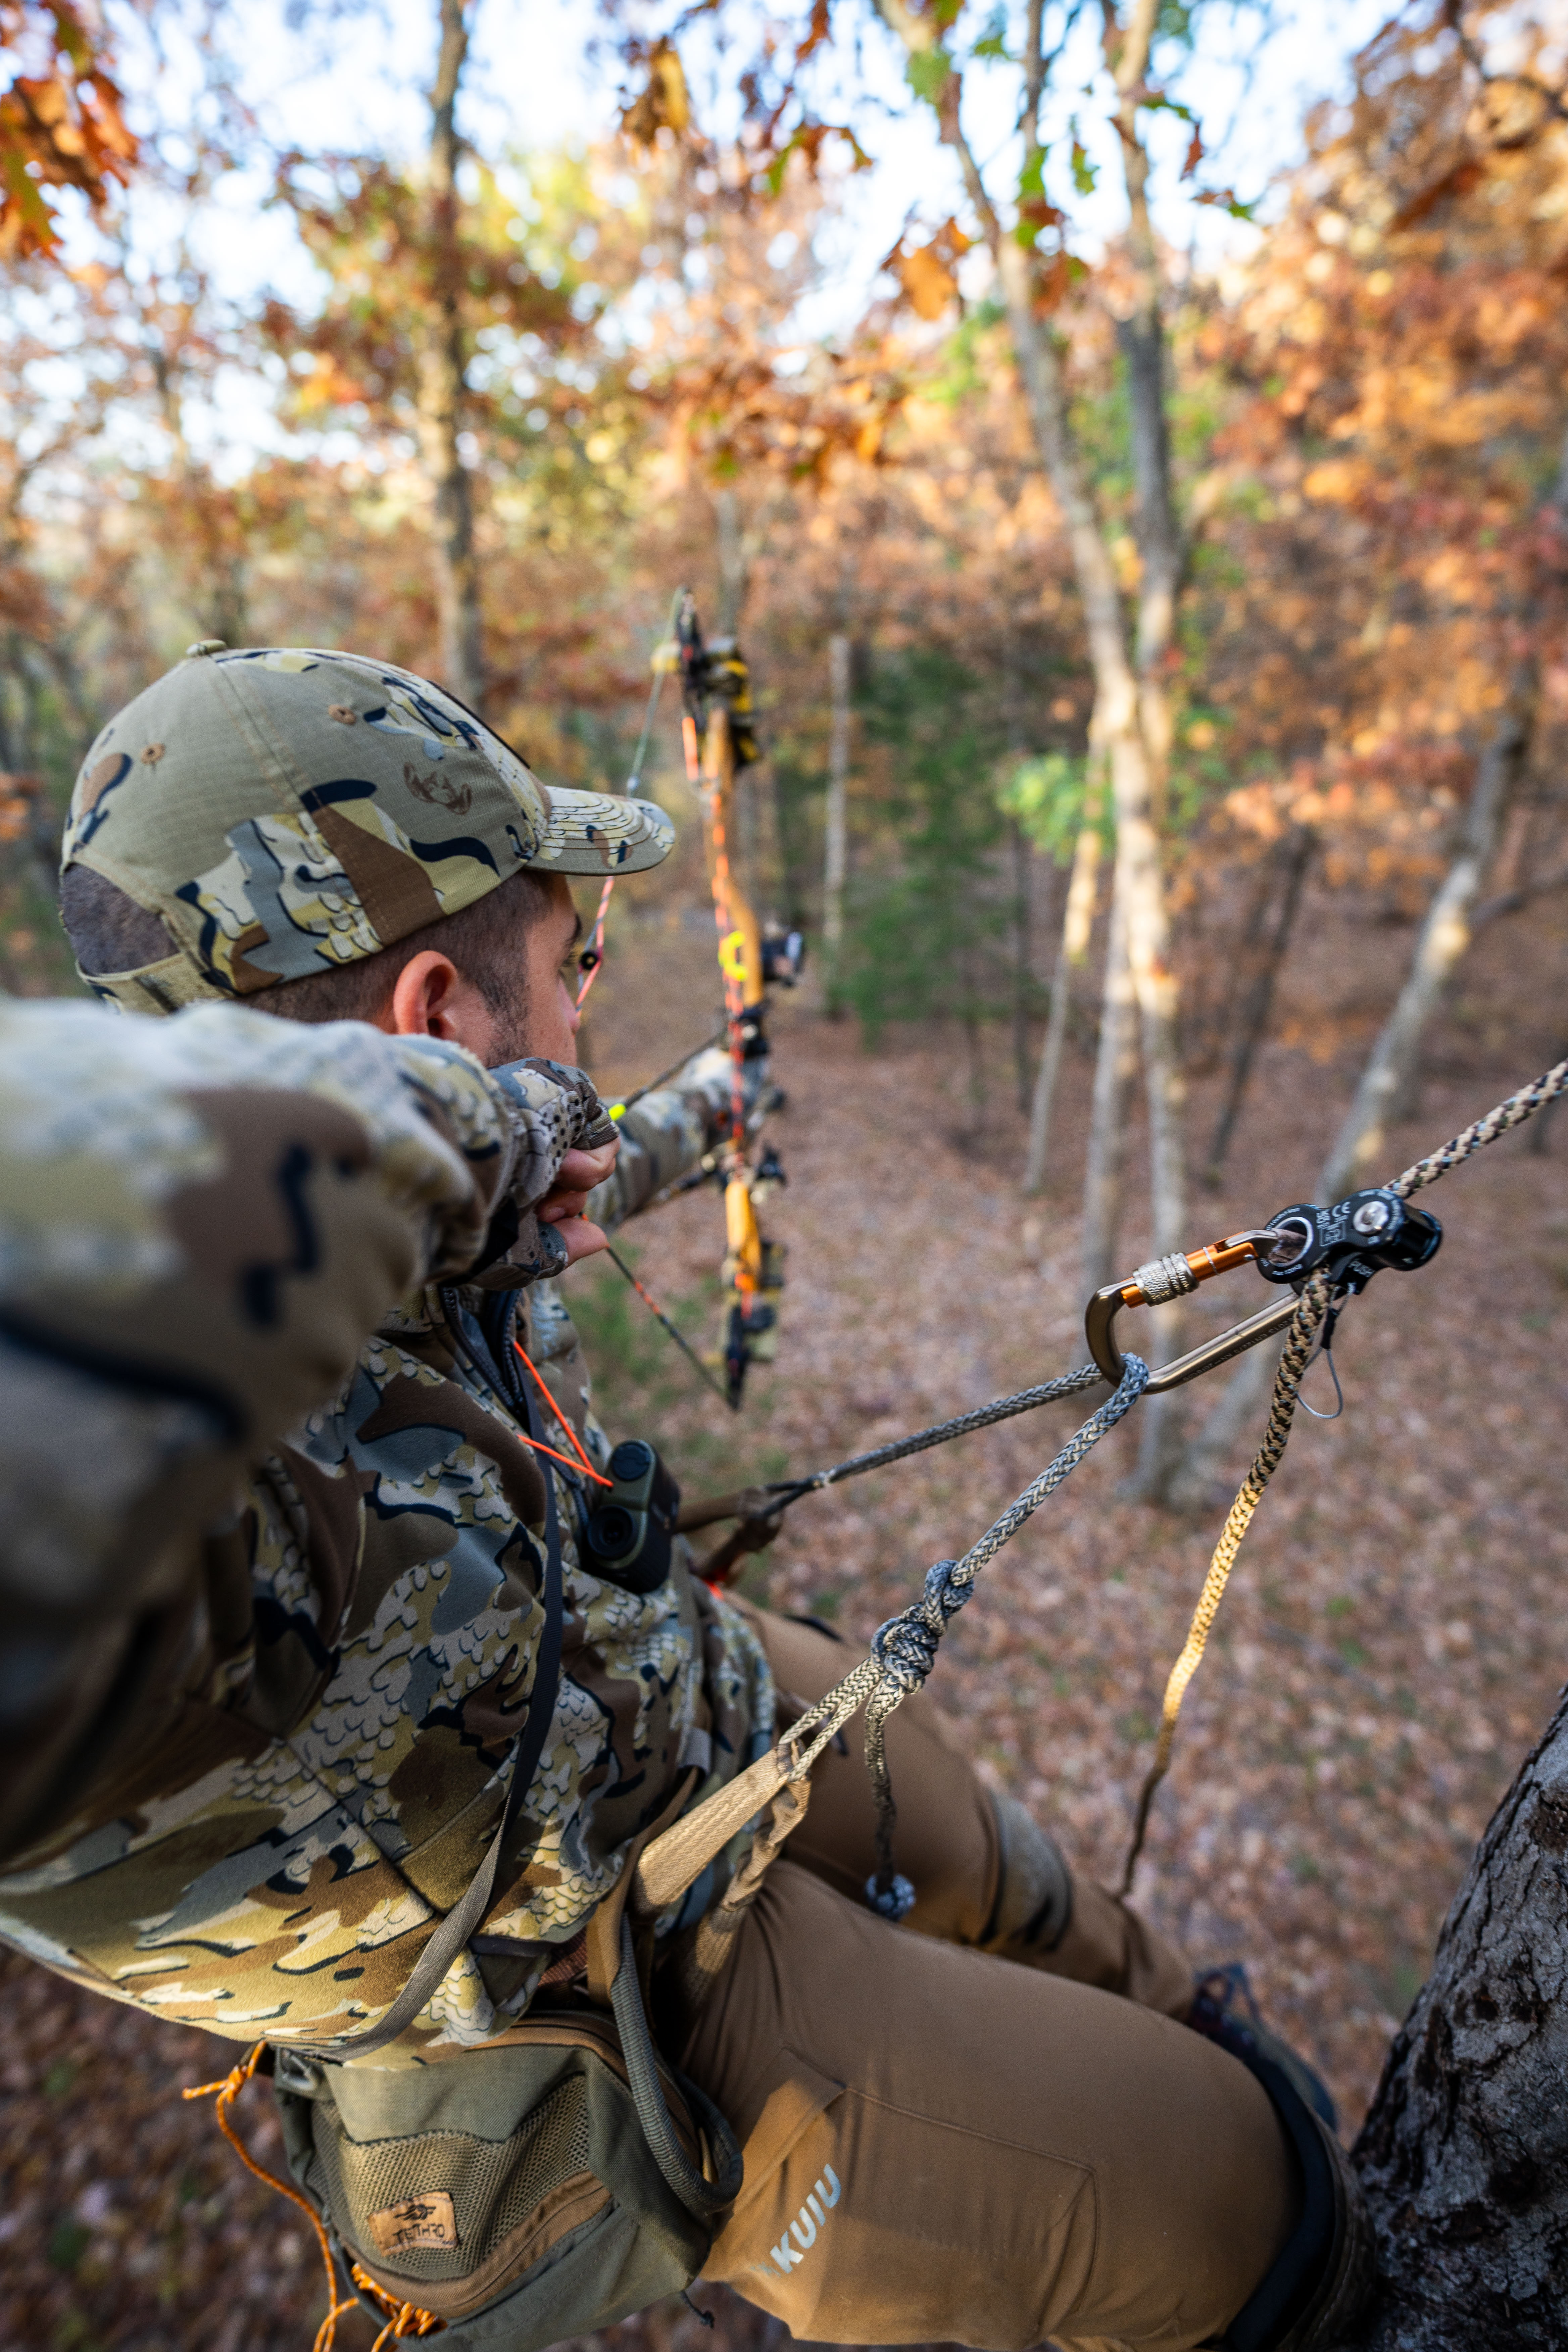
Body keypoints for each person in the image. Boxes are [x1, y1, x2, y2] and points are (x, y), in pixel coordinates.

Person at [0, 639, 1369, 2352]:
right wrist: (461, 1129)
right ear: (430, 1026)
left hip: (698, 1693)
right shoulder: (200, 1495)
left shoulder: (425, 1219)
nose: (585, 1010)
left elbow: (590, 1150)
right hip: (619, 1986)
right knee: (1247, 2204)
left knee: (1015, 1875)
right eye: (572, 966)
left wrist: (715, 1103)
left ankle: (1162, 2001)